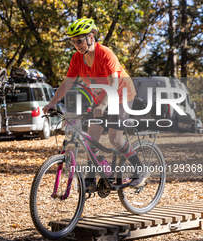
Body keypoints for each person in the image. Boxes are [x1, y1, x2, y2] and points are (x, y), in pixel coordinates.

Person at [43, 18, 147, 189]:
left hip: (122, 95)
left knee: (115, 138)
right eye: (73, 41)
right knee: (91, 140)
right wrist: (53, 102)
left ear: (91, 37)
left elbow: (113, 83)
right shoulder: (77, 59)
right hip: (100, 99)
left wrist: (103, 106)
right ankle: (96, 177)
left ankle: (140, 171)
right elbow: (67, 83)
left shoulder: (105, 54)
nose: (76, 44)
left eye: (79, 40)